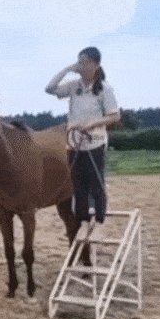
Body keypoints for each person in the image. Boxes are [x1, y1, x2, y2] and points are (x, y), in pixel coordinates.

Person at [45, 46, 121, 240]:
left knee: (96, 184)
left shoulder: (105, 89)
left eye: (85, 61)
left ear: (96, 65)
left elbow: (114, 116)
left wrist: (93, 123)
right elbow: (49, 89)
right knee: (77, 186)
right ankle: (85, 222)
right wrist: (66, 70)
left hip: (94, 143)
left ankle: (99, 224)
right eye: (79, 61)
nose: (81, 65)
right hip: (74, 144)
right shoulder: (74, 86)